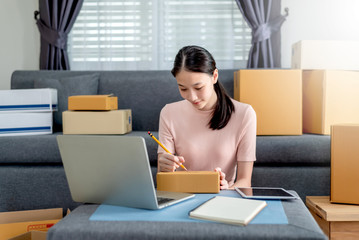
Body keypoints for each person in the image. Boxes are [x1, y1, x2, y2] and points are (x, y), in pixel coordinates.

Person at [157, 45, 257, 189]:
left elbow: (245, 182)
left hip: (222, 197)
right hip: (181, 194)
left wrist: (227, 188)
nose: (192, 97)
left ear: (214, 76)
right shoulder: (168, 113)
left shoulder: (244, 114)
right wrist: (164, 167)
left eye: (198, 88)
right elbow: (162, 181)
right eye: (183, 88)